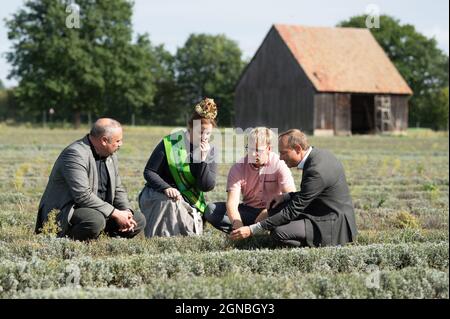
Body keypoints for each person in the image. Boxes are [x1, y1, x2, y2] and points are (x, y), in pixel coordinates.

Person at [230, 129, 358, 247]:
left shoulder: (316, 170)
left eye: (283, 153)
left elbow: (292, 211)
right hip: (321, 210)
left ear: (297, 149)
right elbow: (309, 193)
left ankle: (321, 245)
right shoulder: (318, 156)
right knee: (276, 207)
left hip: (332, 222)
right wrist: (285, 197)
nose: (280, 157)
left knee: (278, 233)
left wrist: (252, 230)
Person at [35, 118, 146, 241]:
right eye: (118, 141)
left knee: (138, 219)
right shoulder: (75, 154)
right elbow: (82, 195)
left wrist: (125, 211)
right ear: (104, 140)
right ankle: (65, 242)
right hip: (68, 211)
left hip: (102, 211)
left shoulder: (110, 155)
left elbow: (118, 188)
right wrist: (115, 213)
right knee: (94, 220)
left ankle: (104, 239)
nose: (121, 144)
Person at [139, 98, 218, 237]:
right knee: (168, 203)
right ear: (190, 127)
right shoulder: (170, 143)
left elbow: (206, 186)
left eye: (208, 133)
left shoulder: (210, 151)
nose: (204, 137)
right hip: (160, 191)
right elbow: (149, 172)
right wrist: (166, 187)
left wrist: (203, 161)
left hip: (189, 197)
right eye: (200, 132)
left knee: (175, 205)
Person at [205, 127, 296, 233]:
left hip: (272, 212)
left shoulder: (279, 164)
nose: (252, 154)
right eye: (250, 149)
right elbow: (232, 203)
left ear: (269, 149)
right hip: (248, 211)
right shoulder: (238, 167)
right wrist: (237, 223)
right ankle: (242, 232)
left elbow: (290, 196)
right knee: (211, 210)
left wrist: (268, 212)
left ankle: (261, 229)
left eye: (257, 150)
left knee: (287, 212)